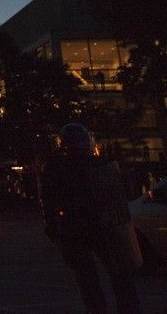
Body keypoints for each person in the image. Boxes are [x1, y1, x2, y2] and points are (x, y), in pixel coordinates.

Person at [41, 123, 142, 314]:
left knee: (90, 280)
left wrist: (52, 227)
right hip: (99, 227)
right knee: (117, 278)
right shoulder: (99, 164)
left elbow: (48, 200)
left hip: (79, 228)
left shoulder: (57, 167)